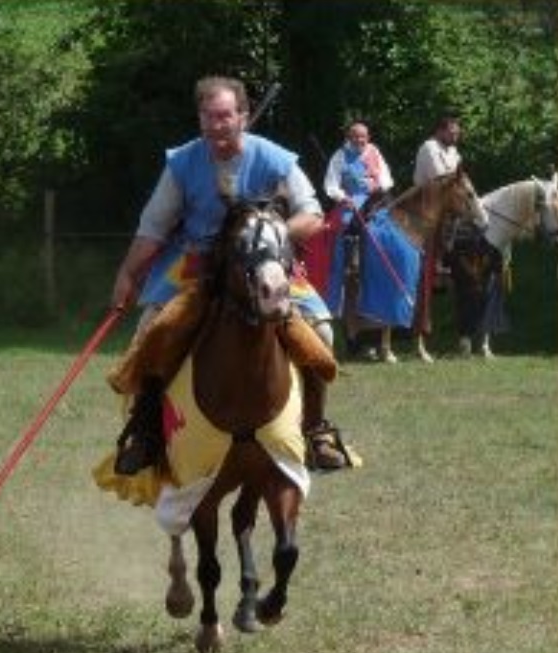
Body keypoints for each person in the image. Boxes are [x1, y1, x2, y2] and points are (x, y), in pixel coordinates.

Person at [109, 75, 355, 477]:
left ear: (242, 116)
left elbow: (311, 213)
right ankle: (147, 426)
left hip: (265, 261)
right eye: (208, 116)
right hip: (199, 262)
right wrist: (126, 274)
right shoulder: (183, 163)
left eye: (224, 116)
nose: (215, 125)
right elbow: (153, 227)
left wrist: (269, 236)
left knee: (323, 332)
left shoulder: (275, 158)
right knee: (151, 328)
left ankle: (315, 429)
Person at [323, 121, 395, 361]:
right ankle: (346, 261)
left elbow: (387, 178)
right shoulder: (340, 155)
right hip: (351, 204)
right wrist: (344, 197)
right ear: (349, 136)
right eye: (356, 137)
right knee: (345, 227)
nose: (360, 141)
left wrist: (378, 186)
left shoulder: (374, 152)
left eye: (364, 137)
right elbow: (330, 184)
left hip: (375, 201)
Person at [411, 114, 465, 362]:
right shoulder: (429, 147)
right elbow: (443, 177)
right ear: (440, 131)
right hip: (426, 204)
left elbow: (459, 179)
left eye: (457, 133)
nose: (456, 137)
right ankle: (434, 261)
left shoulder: (454, 152)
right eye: (452, 133)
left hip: (447, 207)